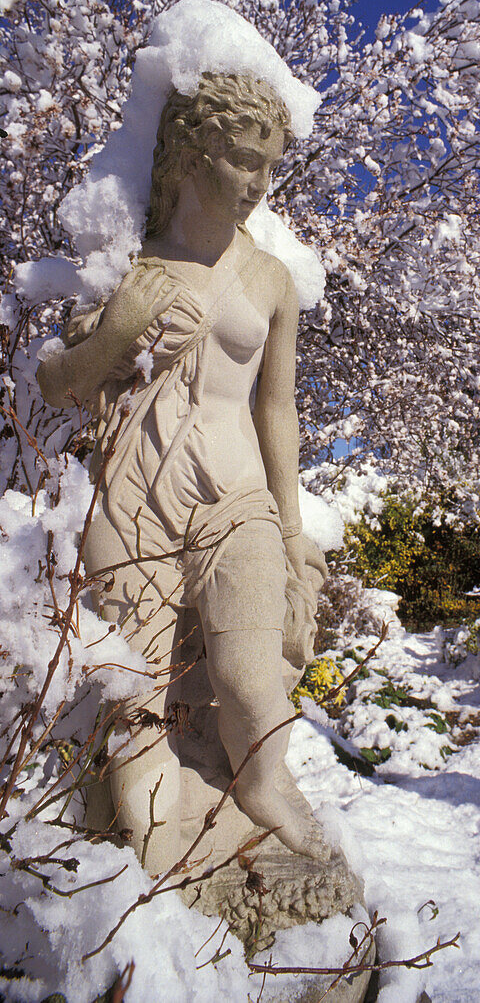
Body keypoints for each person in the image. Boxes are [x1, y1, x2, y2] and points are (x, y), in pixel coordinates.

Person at [37, 72, 328, 873]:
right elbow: (57, 386)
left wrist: (295, 533)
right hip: (132, 502)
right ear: (192, 153)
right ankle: (157, 869)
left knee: (251, 682)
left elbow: (277, 411)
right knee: (134, 704)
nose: (258, 184)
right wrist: (116, 332)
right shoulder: (125, 261)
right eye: (241, 159)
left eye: (269, 163)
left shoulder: (270, 280)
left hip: (237, 498)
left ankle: (262, 789)